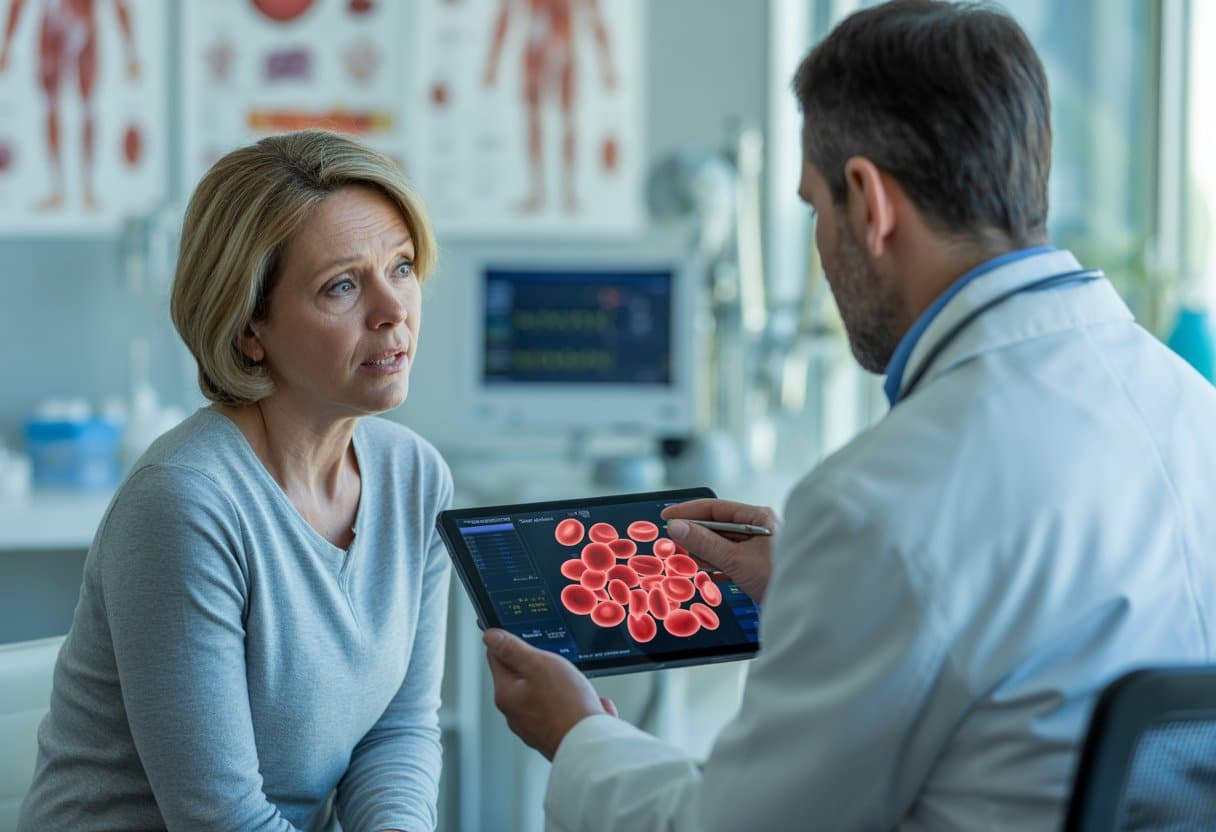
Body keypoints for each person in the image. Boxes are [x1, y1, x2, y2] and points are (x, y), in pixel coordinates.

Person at [482, 2, 1216, 829]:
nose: (822, 250)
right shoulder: (1193, 410)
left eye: (813, 210)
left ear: (868, 203)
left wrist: (577, 735)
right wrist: (816, 589)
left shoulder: (881, 503)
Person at [19, 130, 452, 831]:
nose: (392, 309)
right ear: (251, 327)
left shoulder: (415, 478)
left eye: (401, 267)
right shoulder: (183, 504)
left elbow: (396, 733)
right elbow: (220, 817)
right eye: (342, 285)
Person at [0, 0, 141, 211]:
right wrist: (7, 46)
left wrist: (130, 51)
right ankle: (60, 188)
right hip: (52, 30)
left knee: (86, 109)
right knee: (53, 109)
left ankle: (86, 187)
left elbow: (119, 5)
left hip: (81, 27)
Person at [483, 0, 616, 214]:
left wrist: (608, 67)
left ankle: (568, 192)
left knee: (567, 121)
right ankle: (539, 192)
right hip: (537, 52)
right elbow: (506, 14)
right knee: (536, 121)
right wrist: (492, 64)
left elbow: (595, 16)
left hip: (564, 48)